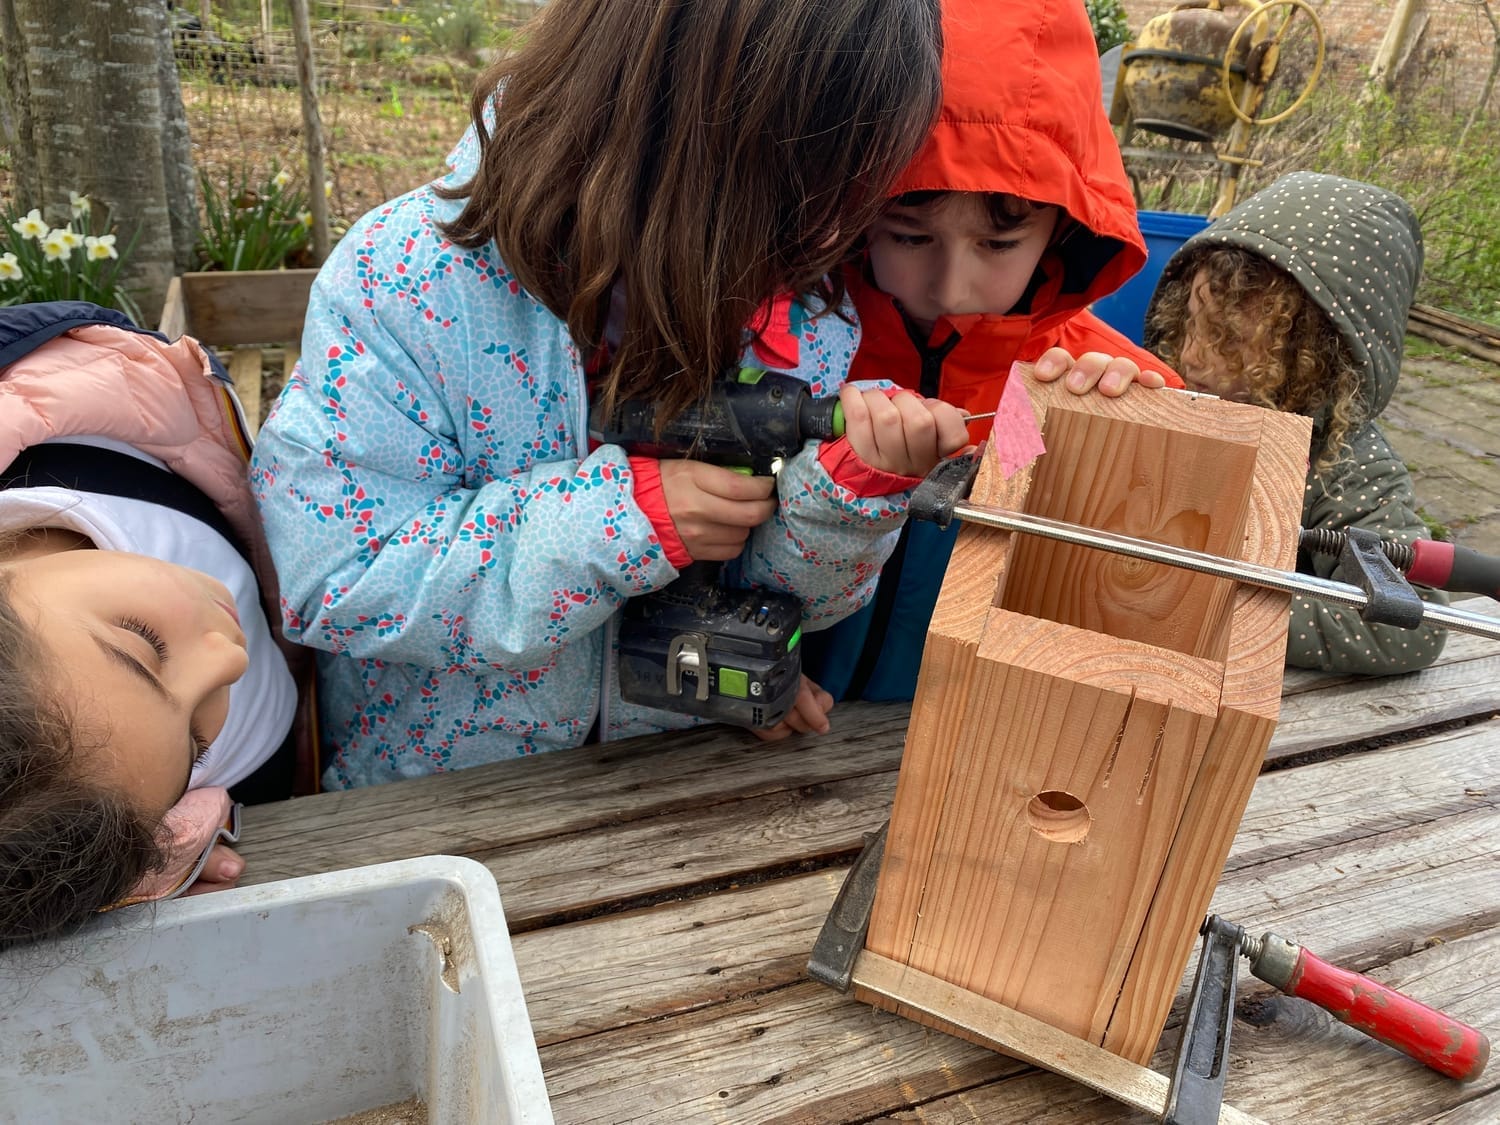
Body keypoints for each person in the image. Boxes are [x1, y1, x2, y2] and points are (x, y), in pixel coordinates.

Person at [250, 0, 970, 789]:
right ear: (673, 132)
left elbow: (774, 588)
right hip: (434, 796)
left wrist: (838, 507)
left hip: (665, 784)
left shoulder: (802, 313)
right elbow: (339, 576)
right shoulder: (408, 282)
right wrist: (620, 519)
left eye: (851, 194)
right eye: (799, 194)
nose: (832, 236)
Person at [800, 0, 1185, 704]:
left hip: (980, 743)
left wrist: (1133, 459)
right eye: (910, 236)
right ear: (851, 217)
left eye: (999, 244)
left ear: (1065, 227)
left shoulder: (1110, 382)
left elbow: (1152, 606)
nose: (952, 285)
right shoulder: (795, 350)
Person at [0, 300, 304, 949]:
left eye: (144, 643)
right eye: (195, 742)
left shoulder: (72, 417)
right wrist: (135, 865)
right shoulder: (91, 793)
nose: (228, 660)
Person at [1144, 171, 1447, 674]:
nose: (1193, 356)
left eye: (1230, 340)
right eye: (1192, 318)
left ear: (1315, 356)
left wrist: (1205, 606)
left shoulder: (1348, 466)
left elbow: (1409, 627)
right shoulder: (1171, 392)